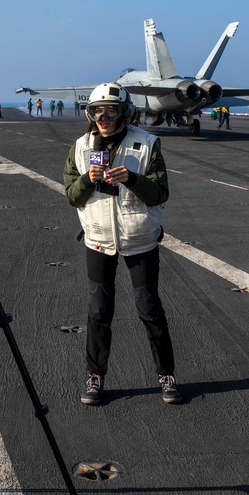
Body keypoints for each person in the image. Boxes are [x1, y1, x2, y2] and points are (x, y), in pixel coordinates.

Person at [63, 83, 182, 407]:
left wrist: (132, 178)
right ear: (90, 113)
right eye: (97, 111)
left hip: (139, 240)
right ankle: (95, 376)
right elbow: (72, 195)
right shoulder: (80, 147)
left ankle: (166, 375)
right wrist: (88, 178)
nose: (103, 117)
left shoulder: (146, 144)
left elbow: (160, 193)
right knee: (99, 311)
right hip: (98, 240)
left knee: (150, 309)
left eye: (111, 110)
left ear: (124, 112)